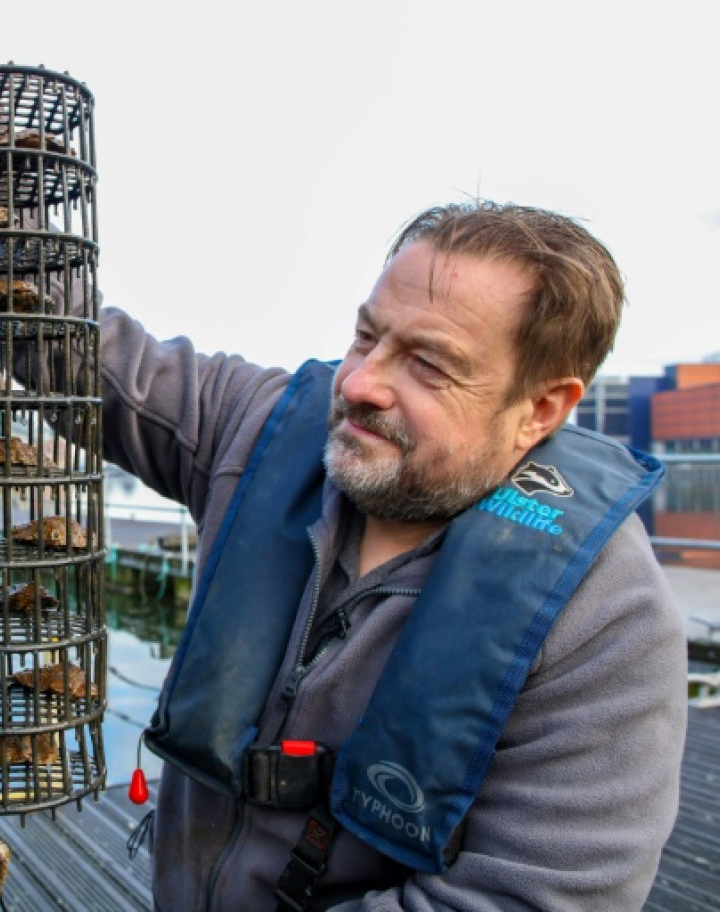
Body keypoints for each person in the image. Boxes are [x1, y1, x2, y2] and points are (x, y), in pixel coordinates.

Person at [88, 201, 687, 910]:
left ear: (541, 409)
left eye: (428, 365)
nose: (362, 383)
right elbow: (79, 348)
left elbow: (534, 897)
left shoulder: (607, 617)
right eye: (366, 336)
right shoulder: (260, 428)